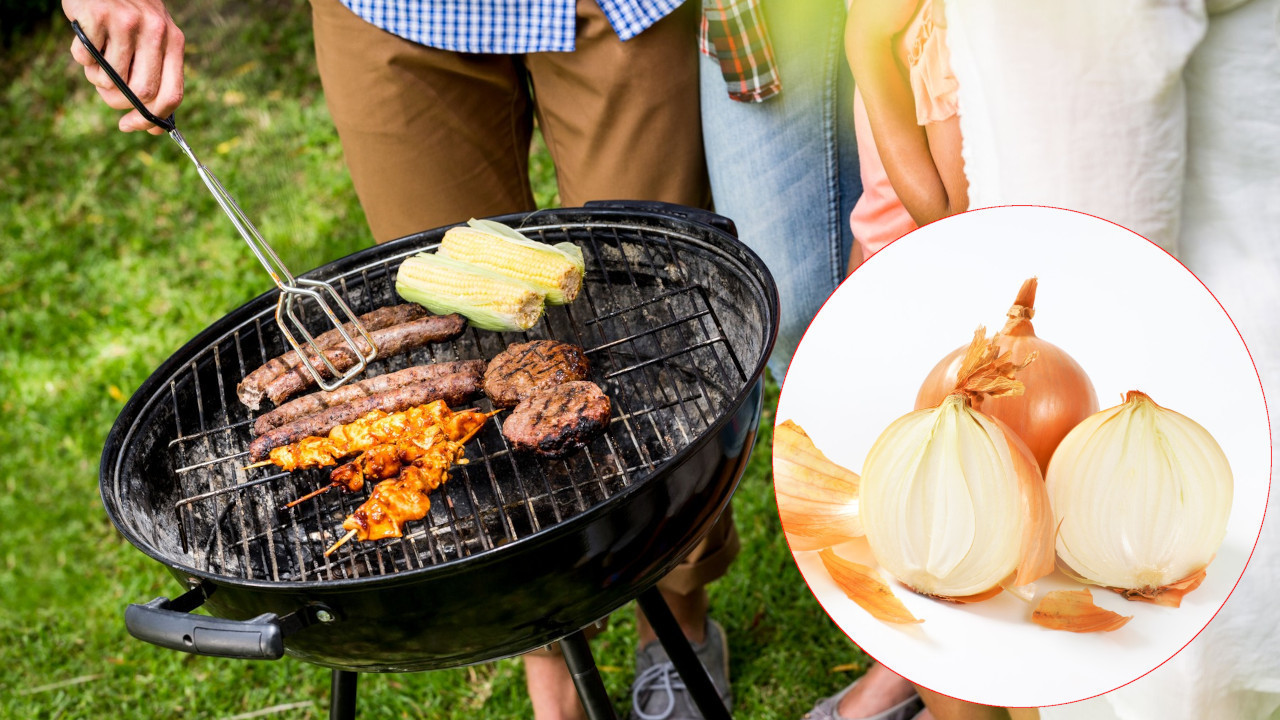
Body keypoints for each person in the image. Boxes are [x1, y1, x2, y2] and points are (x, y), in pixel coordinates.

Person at [60, 1, 734, 718]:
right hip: (392, 13)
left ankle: (680, 622)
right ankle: (552, 668)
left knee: (646, 330)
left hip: (620, 10)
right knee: (458, 342)